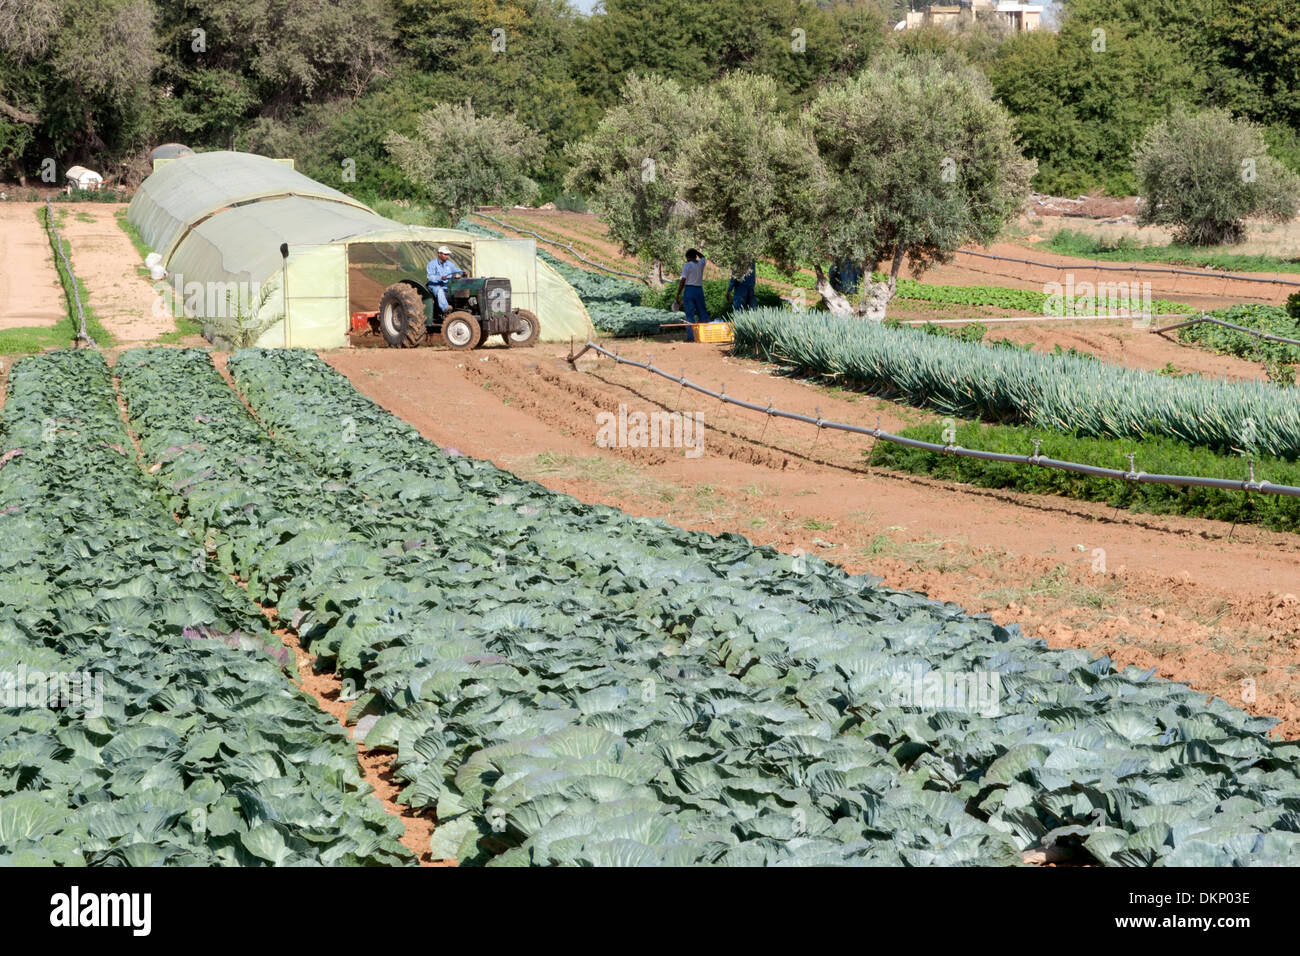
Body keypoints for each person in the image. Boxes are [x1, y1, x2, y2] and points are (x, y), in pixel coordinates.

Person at [426, 245, 467, 314]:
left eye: (447, 254)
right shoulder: (432, 264)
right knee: (439, 290)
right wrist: (440, 278)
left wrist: (463, 272)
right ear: (439, 254)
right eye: (445, 254)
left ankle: (461, 308)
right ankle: (446, 308)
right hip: (435, 285)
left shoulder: (449, 264)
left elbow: (456, 270)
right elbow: (430, 277)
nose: (446, 256)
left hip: (447, 285)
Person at [674, 248, 710, 323]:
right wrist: (696, 251)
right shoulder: (701, 264)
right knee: (702, 312)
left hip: (689, 290)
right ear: (695, 256)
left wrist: (678, 294)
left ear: (688, 257)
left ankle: (691, 334)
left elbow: (683, 281)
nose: (686, 260)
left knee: (689, 315)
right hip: (699, 290)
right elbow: (703, 257)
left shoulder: (687, 265)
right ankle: (706, 332)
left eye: (687, 258)